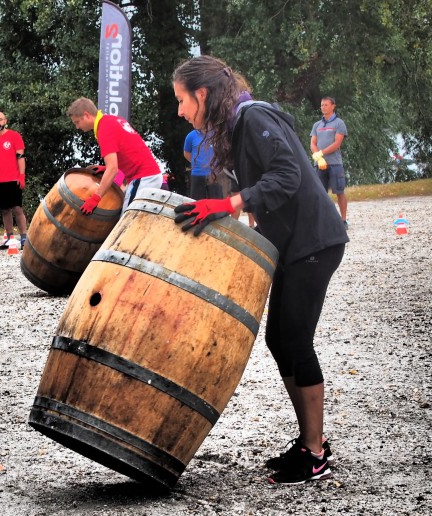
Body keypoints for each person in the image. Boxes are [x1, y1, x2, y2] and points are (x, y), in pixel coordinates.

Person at [171, 55, 349, 485]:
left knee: (296, 340)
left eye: (181, 100)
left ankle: (315, 452)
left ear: (202, 94)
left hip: (315, 241)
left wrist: (229, 203)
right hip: (290, 245)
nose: (179, 111)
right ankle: (311, 441)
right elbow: (268, 189)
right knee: (278, 339)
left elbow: (287, 175)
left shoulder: (252, 116)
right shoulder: (236, 126)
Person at [67, 97, 162, 216]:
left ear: (86, 115)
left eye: (77, 122)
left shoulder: (104, 129)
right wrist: (106, 168)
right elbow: (129, 153)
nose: (77, 127)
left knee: (126, 223)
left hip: (144, 178)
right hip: (147, 176)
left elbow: (113, 169)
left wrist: (96, 198)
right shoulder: (111, 120)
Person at [0, 111, 28, 250]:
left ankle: (24, 238)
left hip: (13, 178)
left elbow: (20, 157)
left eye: (0, 119)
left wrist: (22, 175)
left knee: (17, 208)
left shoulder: (14, 136)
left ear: (5, 121)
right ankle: (10, 238)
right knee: (4, 210)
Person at [310, 97, 349, 227]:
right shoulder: (317, 125)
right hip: (319, 165)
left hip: (335, 164)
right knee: (320, 194)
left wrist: (322, 152)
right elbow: (313, 143)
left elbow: (337, 143)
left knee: (339, 191)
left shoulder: (339, 123)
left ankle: (343, 220)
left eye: (326, 105)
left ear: (333, 106)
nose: (323, 107)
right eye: (321, 105)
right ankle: (323, 221)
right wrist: (318, 157)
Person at [184, 129, 214, 200]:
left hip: (215, 175)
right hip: (197, 174)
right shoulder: (191, 136)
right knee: (197, 203)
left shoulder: (217, 133)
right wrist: (197, 163)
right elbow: (186, 153)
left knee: (217, 203)